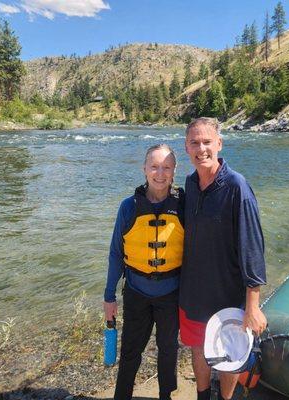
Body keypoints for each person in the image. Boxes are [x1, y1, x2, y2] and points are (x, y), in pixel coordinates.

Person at [179, 117, 267, 400]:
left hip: (229, 294)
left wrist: (253, 305)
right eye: (194, 142)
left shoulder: (237, 187)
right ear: (186, 147)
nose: (201, 148)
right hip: (193, 292)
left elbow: (252, 247)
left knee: (229, 353)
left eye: (207, 142)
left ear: (219, 144)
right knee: (198, 349)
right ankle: (203, 395)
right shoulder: (190, 185)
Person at [104, 144, 184, 400]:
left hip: (171, 292)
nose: (160, 173)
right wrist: (109, 296)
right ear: (144, 169)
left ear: (174, 171)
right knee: (130, 350)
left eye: (166, 167)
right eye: (154, 166)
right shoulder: (128, 207)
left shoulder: (184, 205)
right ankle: (122, 395)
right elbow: (116, 253)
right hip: (136, 291)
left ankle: (165, 396)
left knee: (168, 349)